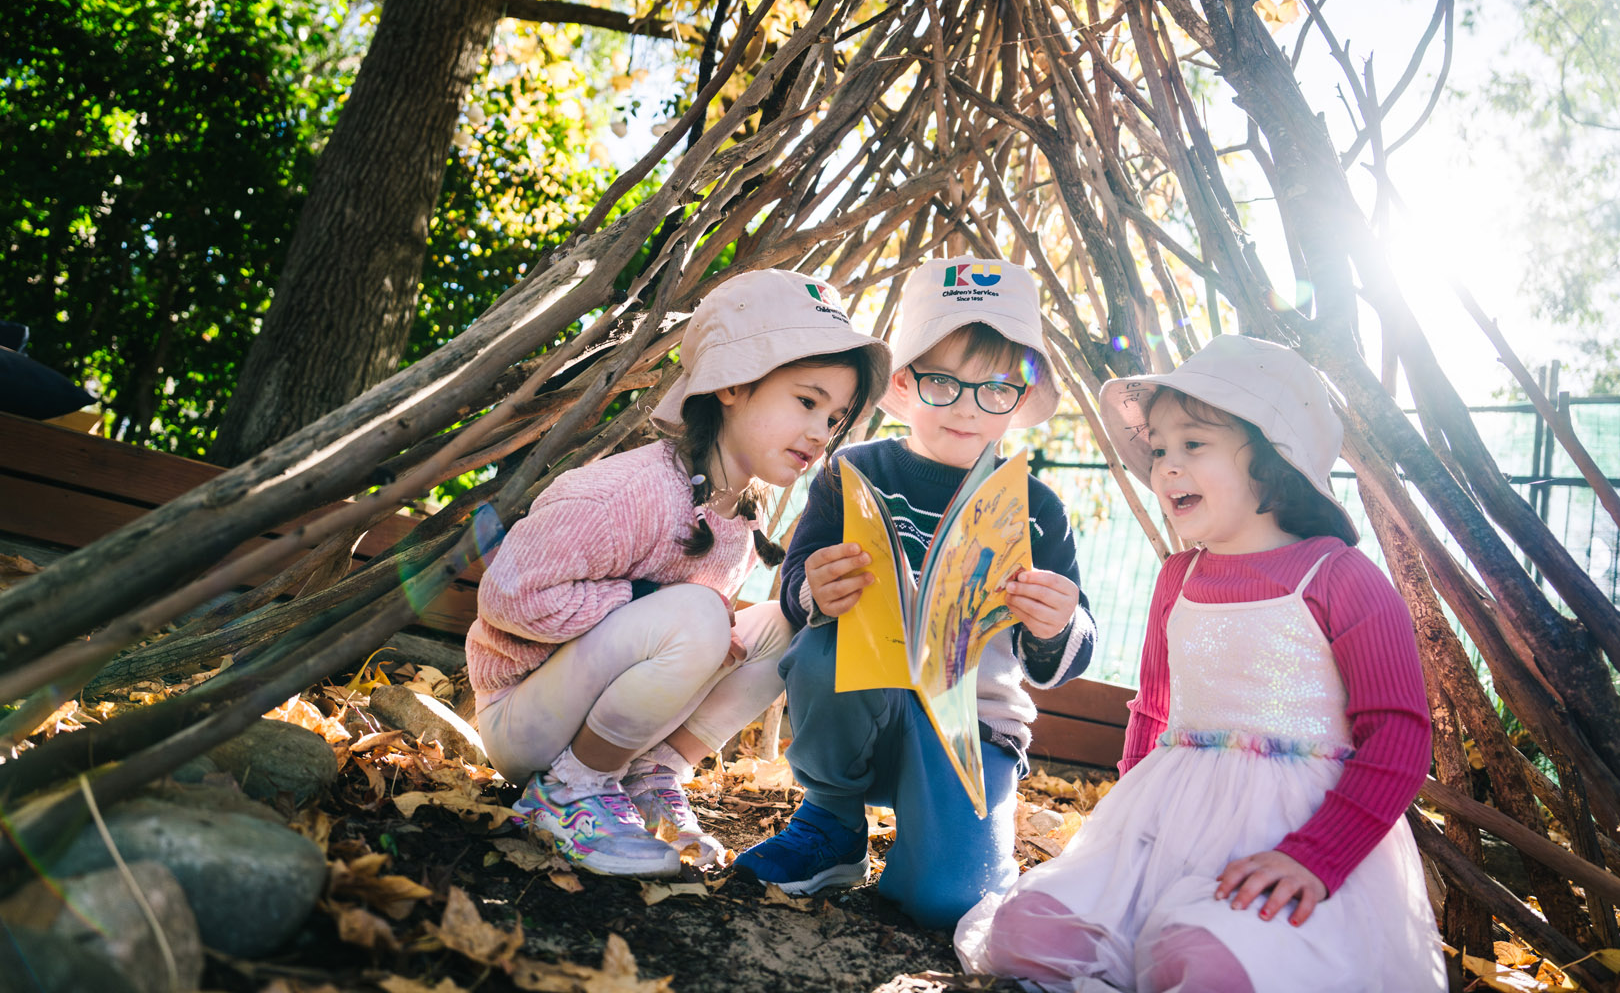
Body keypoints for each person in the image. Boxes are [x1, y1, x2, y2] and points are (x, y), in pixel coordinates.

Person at [955, 334, 1445, 992]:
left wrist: (1315, 857)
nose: (1165, 468)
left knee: (1211, 961)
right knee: (1027, 932)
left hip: (1292, 836)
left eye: (1193, 445)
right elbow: (1153, 711)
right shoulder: (1177, 577)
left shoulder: (1340, 576)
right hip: (1164, 827)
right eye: (1159, 450)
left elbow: (1402, 735)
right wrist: (1121, 839)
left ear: (1272, 463)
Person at [467, 268, 891, 879]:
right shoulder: (629, 492)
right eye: (806, 401)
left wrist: (685, 619)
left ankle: (650, 772)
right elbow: (508, 596)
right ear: (732, 385)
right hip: (526, 718)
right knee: (696, 612)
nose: (819, 434)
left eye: (834, 418)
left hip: (602, 715)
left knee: (791, 624)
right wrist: (651, 598)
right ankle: (568, 794)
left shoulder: (741, 509)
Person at [733, 256, 1095, 928]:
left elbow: (1070, 654)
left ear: (1019, 398)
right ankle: (833, 824)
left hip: (973, 726)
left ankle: (939, 849)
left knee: (947, 902)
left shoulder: (1036, 505)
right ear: (903, 381)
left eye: (995, 389)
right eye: (944, 383)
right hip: (859, 700)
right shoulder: (853, 471)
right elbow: (793, 585)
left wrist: (1054, 623)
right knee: (821, 651)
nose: (967, 408)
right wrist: (814, 585)